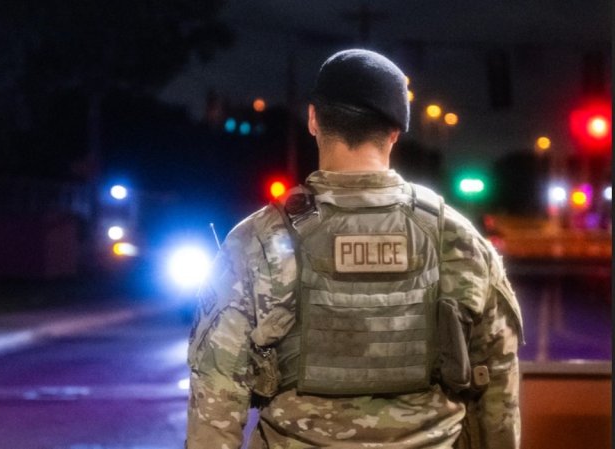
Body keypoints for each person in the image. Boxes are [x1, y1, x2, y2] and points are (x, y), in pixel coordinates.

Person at [185, 49, 523, 449]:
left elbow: (216, 401)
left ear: (313, 120)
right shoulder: (457, 238)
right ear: (396, 131)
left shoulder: (258, 241)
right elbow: (498, 392)